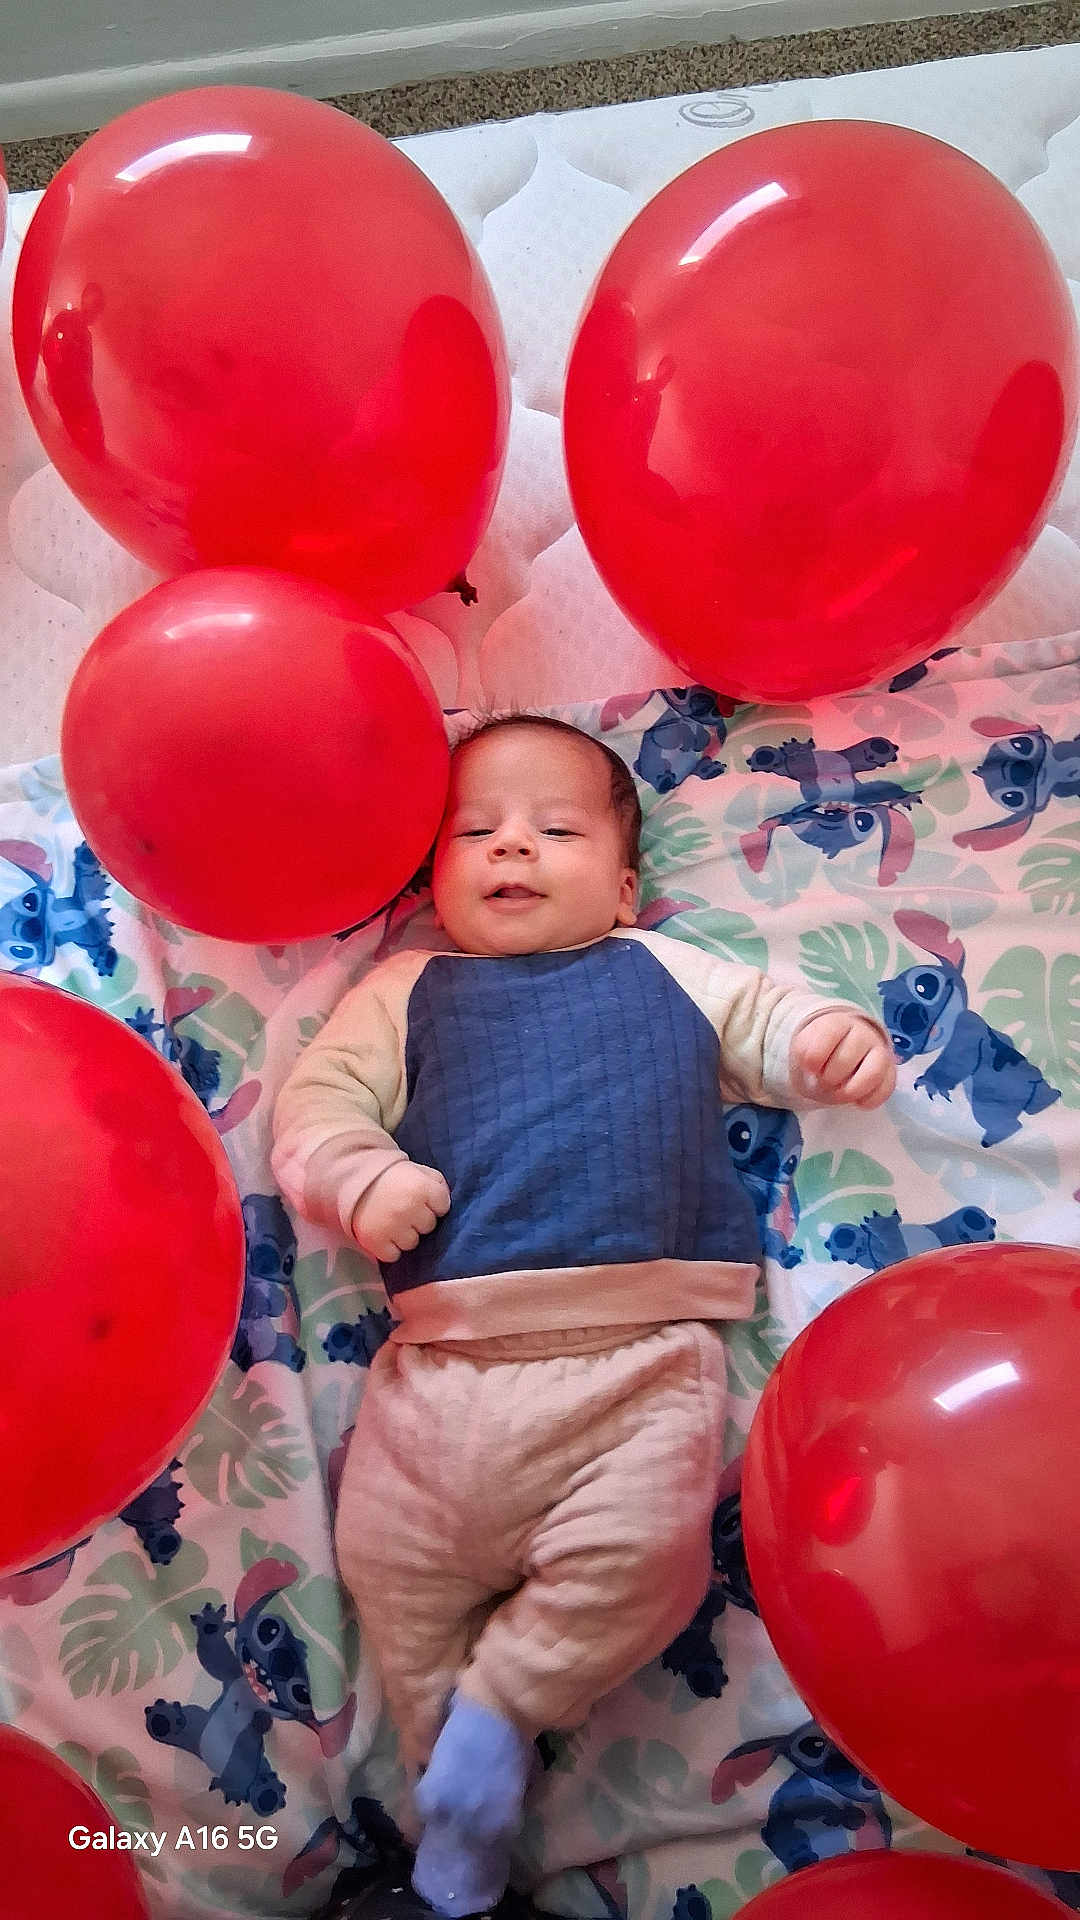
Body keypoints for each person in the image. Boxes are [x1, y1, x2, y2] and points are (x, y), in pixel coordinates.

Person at [272, 714, 896, 1919]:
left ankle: (499, 1718)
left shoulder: (664, 968)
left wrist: (826, 1039)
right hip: (439, 1374)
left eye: (552, 829)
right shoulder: (404, 992)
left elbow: (765, 1022)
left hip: (638, 1364)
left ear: (621, 883)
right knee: (388, 1567)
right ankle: (440, 1791)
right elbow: (315, 1105)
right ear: (433, 873)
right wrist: (359, 1178)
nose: (512, 848)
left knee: (645, 1565)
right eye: (475, 832)